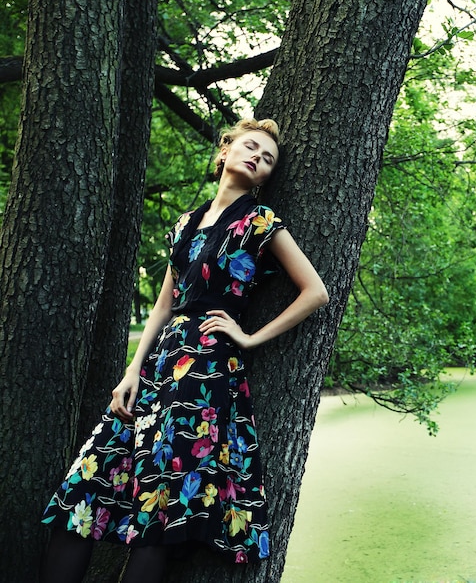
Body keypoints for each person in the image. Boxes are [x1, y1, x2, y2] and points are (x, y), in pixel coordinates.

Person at [39, 118, 329, 583]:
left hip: (206, 373)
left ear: (265, 177)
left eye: (268, 159)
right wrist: (133, 369)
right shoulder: (186, 223)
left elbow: (315, 291)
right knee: (84, 490)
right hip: (159, 365)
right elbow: (162, 305)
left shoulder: (260, 222)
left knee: (162, 507)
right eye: (250, 146)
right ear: (226, 150)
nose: (257, 157)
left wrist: (251, 337)